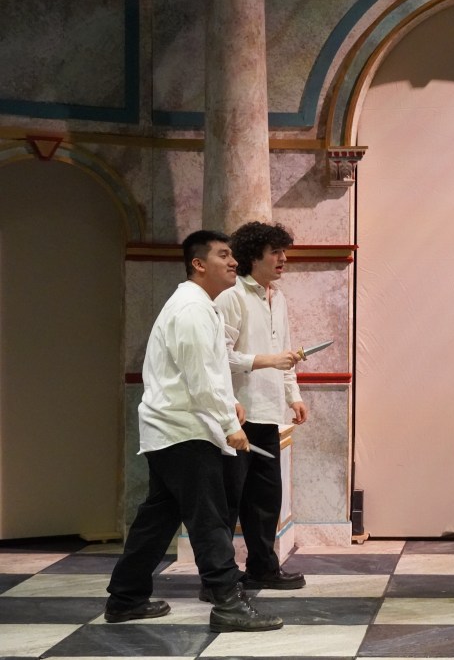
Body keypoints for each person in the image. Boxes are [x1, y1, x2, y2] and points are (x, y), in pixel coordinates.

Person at [104, 230, 283, 633]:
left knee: (159, 517)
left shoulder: (201, 306)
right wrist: (230, 424)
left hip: (175, 430)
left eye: (233, 255)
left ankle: (125, 598)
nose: (233, 262)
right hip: (185, 432)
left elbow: (206, 370)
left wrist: (230, 403)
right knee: (210, 519)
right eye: (224, 255)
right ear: (199, 264)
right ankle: (228, 603)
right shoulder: (191, 309)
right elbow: (200, 377)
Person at [213, 221, 307, 591]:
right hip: (235, 414)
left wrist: (294, 396)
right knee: (228, 501)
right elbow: (218, 355)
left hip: (268, 413)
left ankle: (263, 568)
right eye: (275, 252)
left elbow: (286, 352)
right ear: (254, 256)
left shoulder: (277, 297)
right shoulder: (232, 296)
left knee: (266, 499)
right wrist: (267, 361)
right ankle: (218, 578)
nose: (283, 259)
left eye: (284, 251)